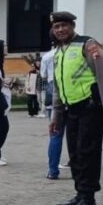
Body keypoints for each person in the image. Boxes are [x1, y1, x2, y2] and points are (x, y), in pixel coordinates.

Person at [50, 11, 103, 205]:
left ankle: (89, 200)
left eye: (64, 25)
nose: (60, 30)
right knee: (75, 154)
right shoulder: (59, 51)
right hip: (71, 109)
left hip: (90, 107)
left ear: (72, 26)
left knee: (88, 152)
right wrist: (56, 117)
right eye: (56, 27)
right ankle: (80, 193)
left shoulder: (87, 45)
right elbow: (58, 86)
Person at [40, 39, 65, 180]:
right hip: (71, 92)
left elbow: (43, 75)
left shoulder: (47, 56)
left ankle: (53, 170)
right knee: (75, 134)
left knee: (55, 134)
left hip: (52, 88)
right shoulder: (72, 52)